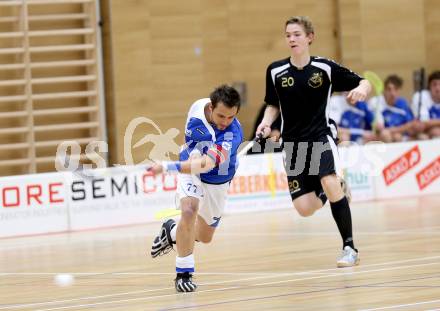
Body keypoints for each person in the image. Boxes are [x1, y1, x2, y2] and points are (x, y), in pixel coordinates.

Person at [255, 16, 372, 267]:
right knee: (305, 208)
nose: (292, 39)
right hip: (293, 144)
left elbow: (364, 81)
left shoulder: (325, 68)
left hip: (320, 136)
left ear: (310, 37)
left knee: (328, 180)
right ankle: (336, 188)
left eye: (297, 34)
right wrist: (266, 122)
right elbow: (273, 105)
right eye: (288, 35)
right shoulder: (275, 71)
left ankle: (350, 248)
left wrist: (363, 88)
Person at [148, 84, 243, 292]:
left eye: (231, 117)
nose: (225, 123)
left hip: (216, 182)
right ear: (210, 107)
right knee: (189, 211)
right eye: (221, 116)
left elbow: (207, 164)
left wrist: (166, 167)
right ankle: (184, 274)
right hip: (190, 173)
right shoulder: (197, 107)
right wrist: (190, 154)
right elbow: (189, 138)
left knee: (205, 236)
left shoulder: (232, 134)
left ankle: (171, 231)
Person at [369, 75, 416, 142]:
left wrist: (399, 130)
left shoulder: (403, 103)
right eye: (389, 89)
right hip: (381, 136)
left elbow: (411, 125)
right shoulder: (375, 102)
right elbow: (380, 128)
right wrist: (403, 128)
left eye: (396, 89)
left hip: (401, 136)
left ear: (399, 91)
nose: (392, 93)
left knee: (421, 136)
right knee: (386, 134)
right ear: (384, 90)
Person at [411, 70, 440, 138]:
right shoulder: (421, 96)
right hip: (419, 132)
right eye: (434, 84)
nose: (438, 88)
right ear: (429, 87)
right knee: (435, 132)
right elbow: (423, 123)